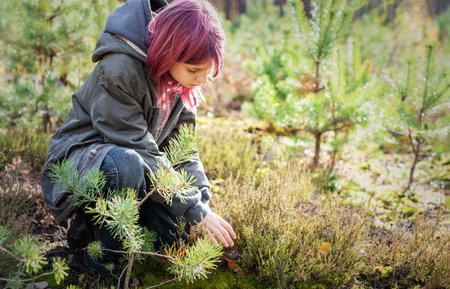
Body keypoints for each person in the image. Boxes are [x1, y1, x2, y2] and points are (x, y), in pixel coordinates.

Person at [40, 0, 236, 274]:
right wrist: (193, 209)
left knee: (176, 239)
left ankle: (86, 235)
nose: (202, 79)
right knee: (127, 164)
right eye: (194, 70)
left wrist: (201, 204)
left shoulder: (180, 82)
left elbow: (184, 151)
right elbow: (137, 148)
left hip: (137, 168)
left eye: (207, 71)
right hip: (78, 167)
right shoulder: (120, 68)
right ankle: (99, 263)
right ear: (169, 53)